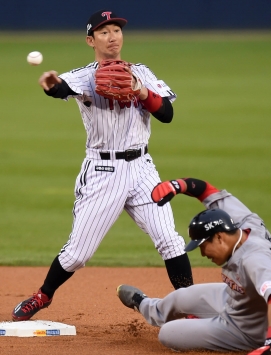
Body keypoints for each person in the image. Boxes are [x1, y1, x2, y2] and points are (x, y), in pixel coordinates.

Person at [12, 10, 194, 321]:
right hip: (102, 172)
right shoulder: (84, 76)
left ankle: (190, 309)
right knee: (77, 254)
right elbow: (60, 88)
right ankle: (43, 295)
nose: (112, 36)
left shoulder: (142, 73)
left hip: (143, 170)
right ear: (90, 40)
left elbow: (166, 114)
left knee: (170, 240)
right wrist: (50, 84)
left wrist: (142, 92)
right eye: (104, 32)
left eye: (116, 30)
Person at [117, 178, 271, 355]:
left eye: (203, 246)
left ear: (219, 237)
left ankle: (212, 324)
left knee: (169, 333)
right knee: (182, 296)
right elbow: (207, 191)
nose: (202, 253)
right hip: (239, 298)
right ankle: (145, 305)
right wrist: (178, 186)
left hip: (249, 328)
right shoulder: (243, 222)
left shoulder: (254, 260)